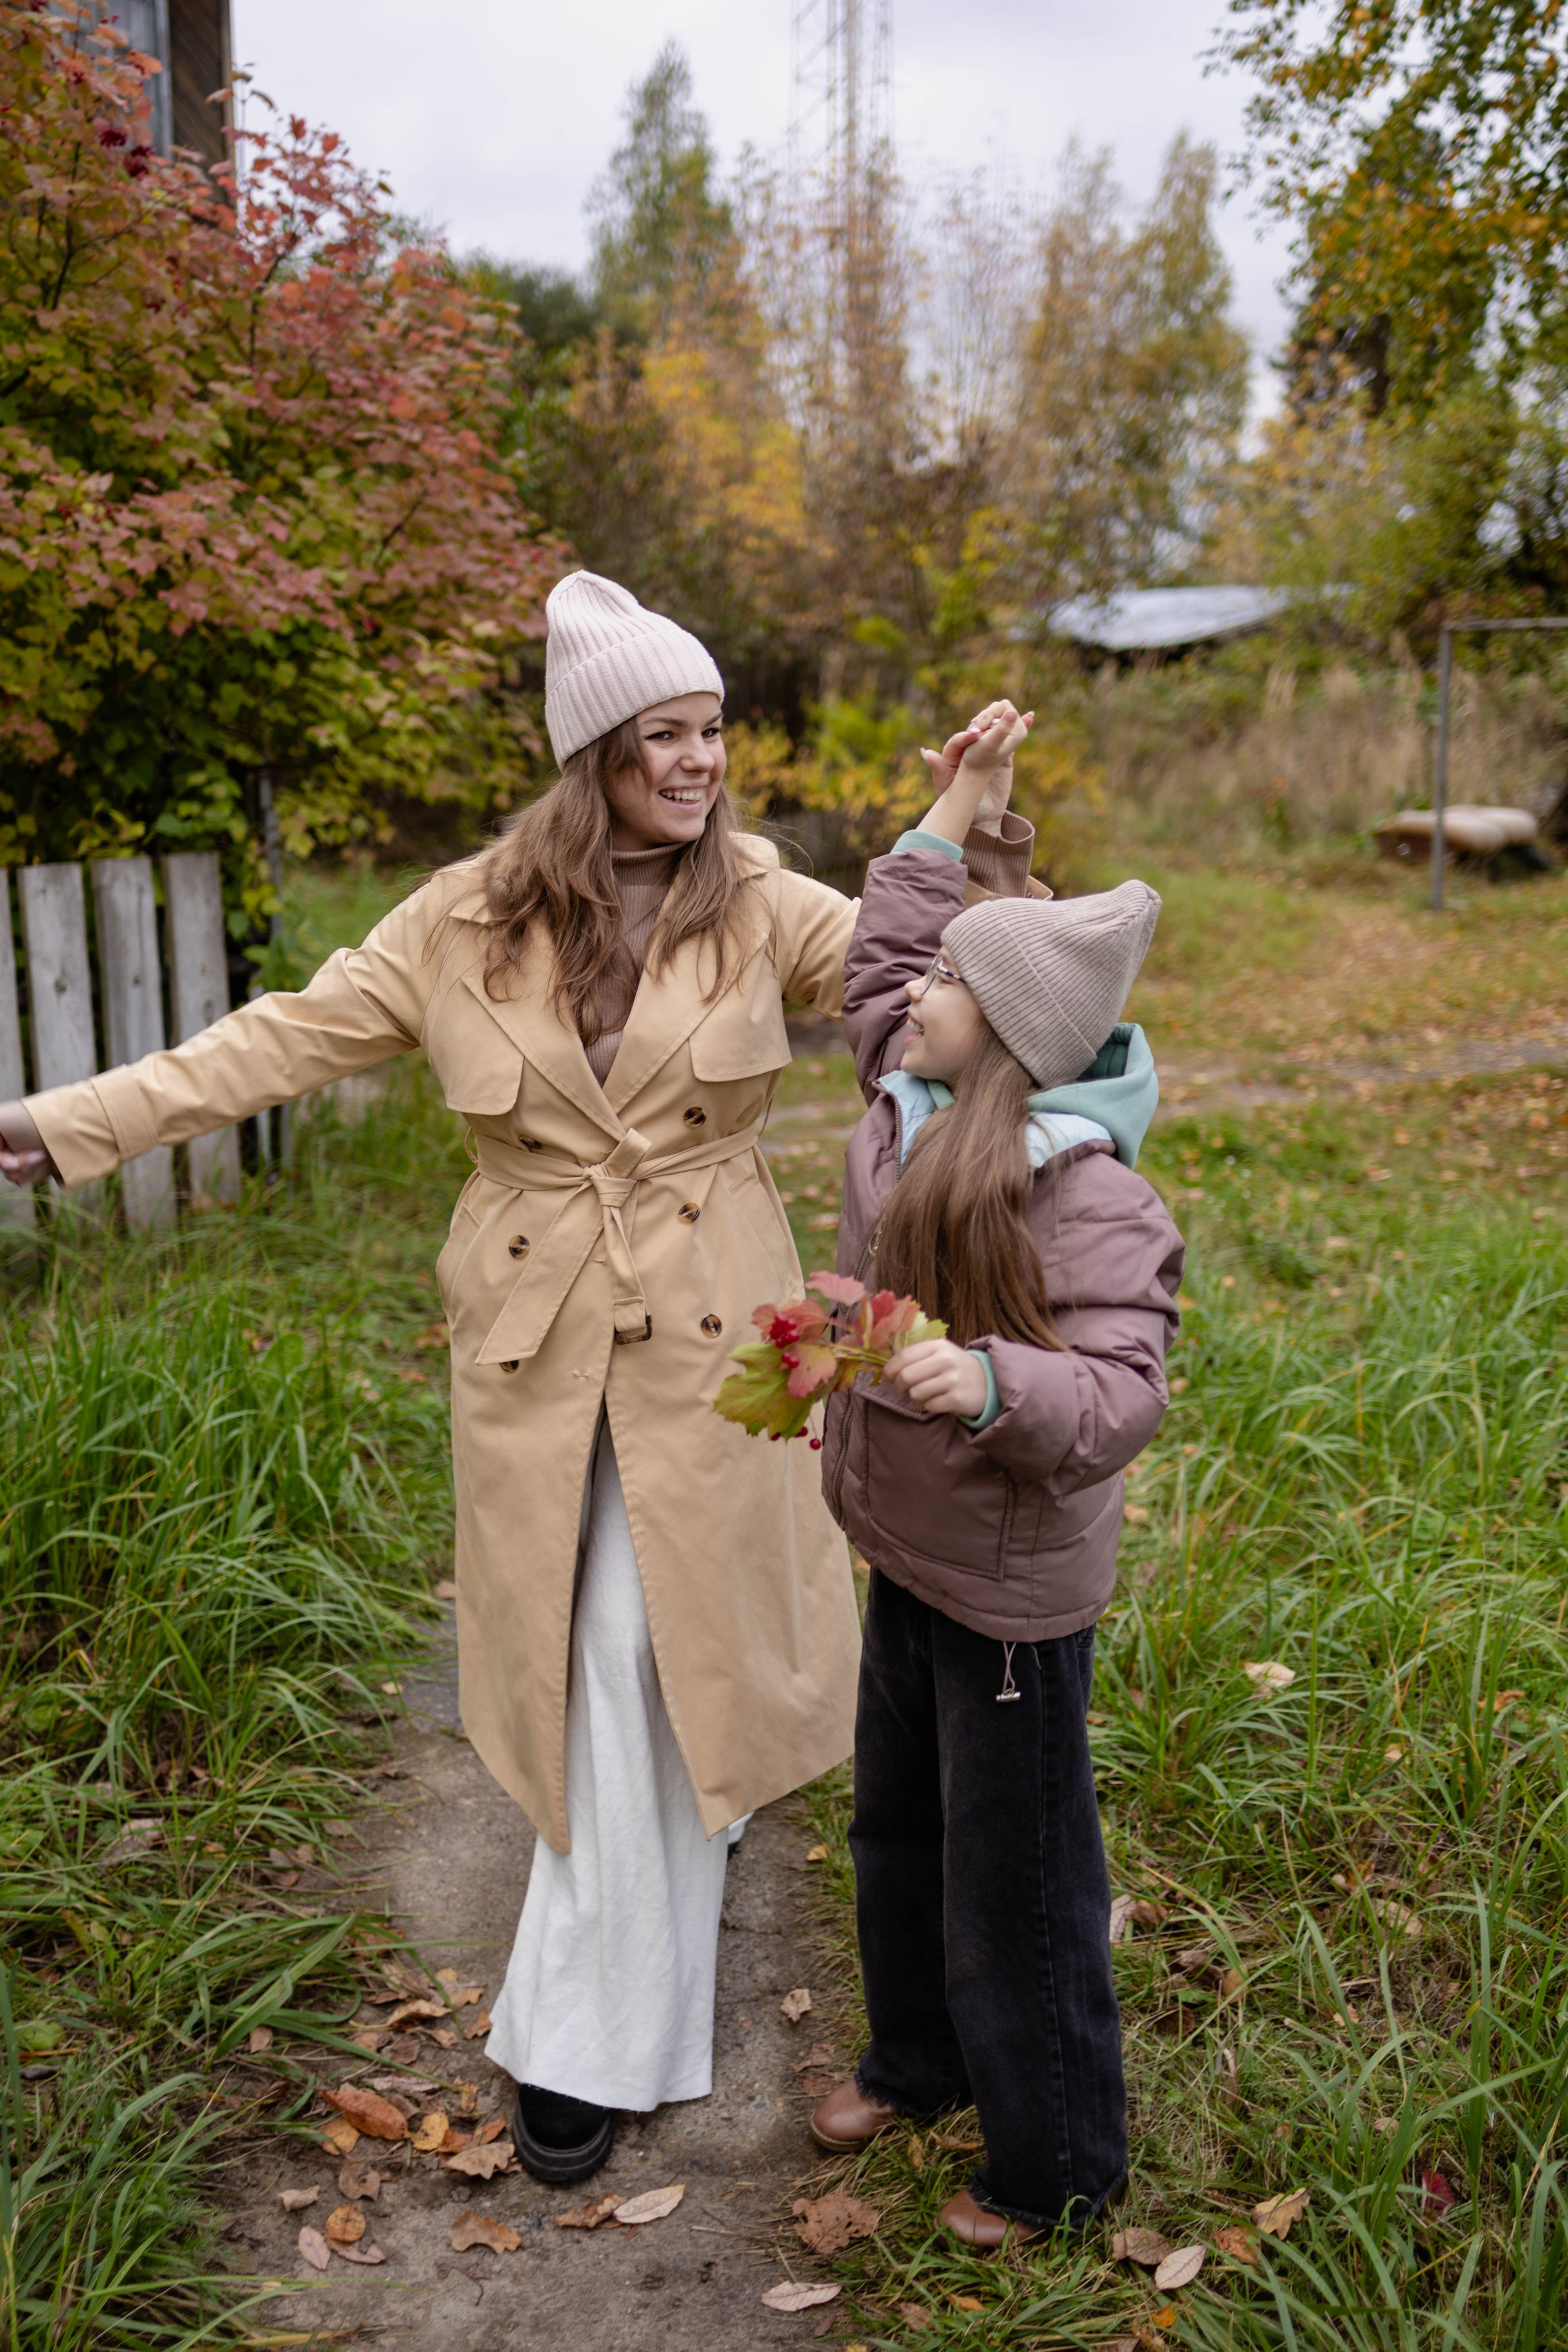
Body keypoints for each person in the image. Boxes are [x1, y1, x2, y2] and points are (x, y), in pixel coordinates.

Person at [0, 573, 1037, 2184]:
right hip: (536, 1338)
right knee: (583, 1654)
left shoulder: (763, 902)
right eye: (668, 736)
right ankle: (679, 1834)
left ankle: (579, 2043)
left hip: (727, 1334)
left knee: (642, 1645)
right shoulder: (465, 918)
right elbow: (281, 1039)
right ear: (595, 752)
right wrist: (66, 1125)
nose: (702, 763)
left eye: (712, 733)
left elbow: (944, 988)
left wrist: (977, 830)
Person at [806, 709, 1184, 2247]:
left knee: (1015, 1878)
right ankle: (918, 2057)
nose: (913, 997)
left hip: (1013, 1594)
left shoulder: (1085, 1197)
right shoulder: (910, 1085)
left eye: (952, 985)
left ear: (1008, 1040)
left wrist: (982, 1381)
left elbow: (1121, 1393)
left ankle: (1058, 2163)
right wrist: (966, 804)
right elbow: (883, 950)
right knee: (894, 1825)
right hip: (906, 1544)